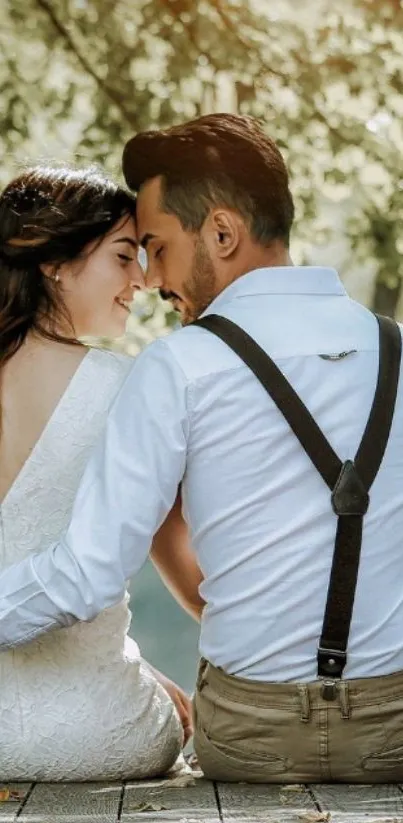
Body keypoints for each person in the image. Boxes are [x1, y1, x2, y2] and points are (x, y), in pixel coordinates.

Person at [1, 114, 403, 784]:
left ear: (220, 232)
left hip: (250, 736)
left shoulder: (178, 367)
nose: (152, 278)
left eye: (153, 245)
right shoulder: (396, 351)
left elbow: (88, 572)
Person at [0, 165, 194, 782]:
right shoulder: (131, 386)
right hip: (98, 732)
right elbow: (185, 566)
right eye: (123, 256)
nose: (141, 280)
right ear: (54, 262)